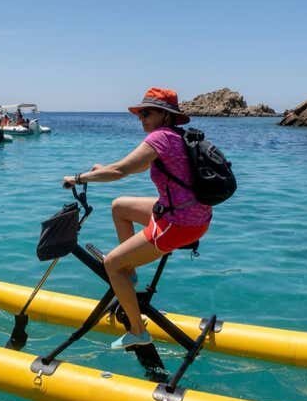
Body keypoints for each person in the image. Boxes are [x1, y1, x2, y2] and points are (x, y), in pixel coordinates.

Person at [62, 88, 212, 349]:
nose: (141, 118)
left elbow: (121, 171)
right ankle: (128, 273)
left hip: (180, 223)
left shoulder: (161, 138)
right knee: (120, 207)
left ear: (165, 115)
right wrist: (103, 170)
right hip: (194, 214)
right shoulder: (176, 136)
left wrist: (78, 178)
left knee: (111, 263)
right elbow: (137, 166)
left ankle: (138, 330)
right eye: (139, 113)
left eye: (147, 113)